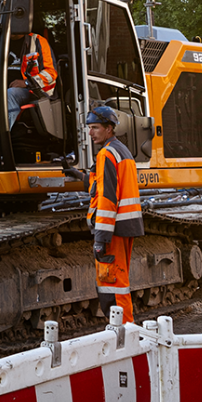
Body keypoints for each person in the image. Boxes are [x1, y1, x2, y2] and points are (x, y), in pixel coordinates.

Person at [86, 104, 142, 323]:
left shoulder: (106, 154)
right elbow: (106, 186)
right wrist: (83, 179)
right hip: (124, 225)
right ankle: (124, 331)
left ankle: (124, 333)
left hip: (113, 228)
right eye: (89, 128)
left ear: (109, 128)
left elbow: (108, 198)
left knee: (112, 285)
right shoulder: (121, 150)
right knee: (118, 282)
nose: (90, 133)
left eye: (95, 128)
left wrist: (101, 237)